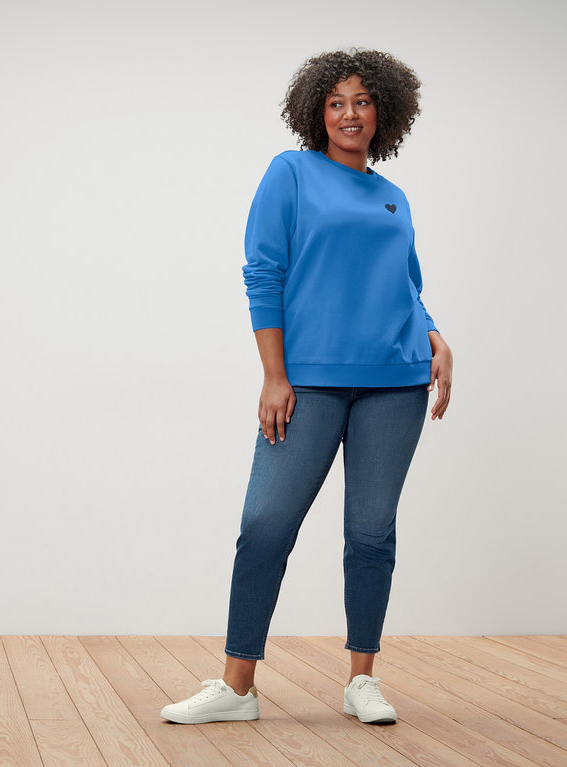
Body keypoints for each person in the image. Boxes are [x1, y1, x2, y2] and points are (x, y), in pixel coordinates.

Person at [161, 49, 453, 726]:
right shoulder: (290, 172)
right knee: (265, 524)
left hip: (395, 382)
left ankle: (362, 679)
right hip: (311, 382)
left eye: (362, 101)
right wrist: (274, 374)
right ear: (317, 113)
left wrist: (436, 336)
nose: (350, 114)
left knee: (371, 533)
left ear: (384, 110)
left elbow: (406, 287)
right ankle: (237, 686)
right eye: (336, 103)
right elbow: (263, 272)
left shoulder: (392, 195)